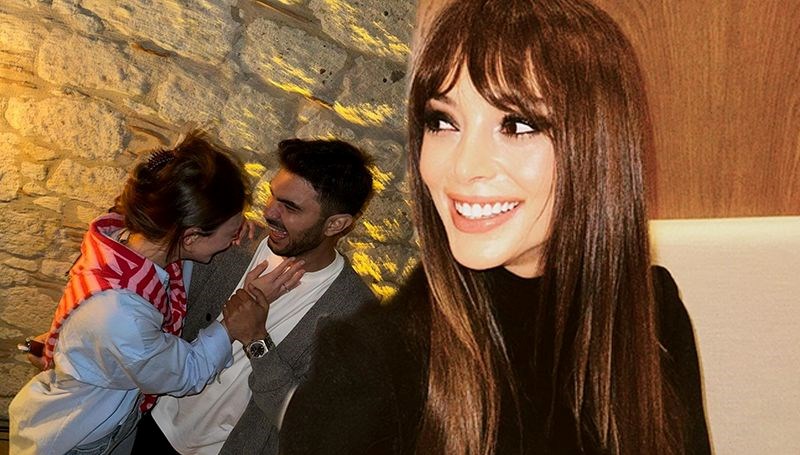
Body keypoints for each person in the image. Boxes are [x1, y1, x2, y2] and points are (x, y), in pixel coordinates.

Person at [279, 1, 711, 454]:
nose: (464, 167)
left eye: (518, 125)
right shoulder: (370, 365)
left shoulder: (651, 312)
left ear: (598, 146)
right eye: (443, 122)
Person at [8, 134, 303, 455]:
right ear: (191, 236)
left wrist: (230, 223)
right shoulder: (122, 316)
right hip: (82, 439)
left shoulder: (142, 238)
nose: (234, 239)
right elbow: (188, 372)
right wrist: (236, 319)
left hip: (110, 416)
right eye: (230, 233)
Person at [133, 138, 377, 455]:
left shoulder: (357, 315)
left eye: (290, 207)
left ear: (336, 224)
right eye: (273, 195)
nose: (269, 212)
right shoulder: (232, 244)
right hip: (148, 422)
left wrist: (256, 340)